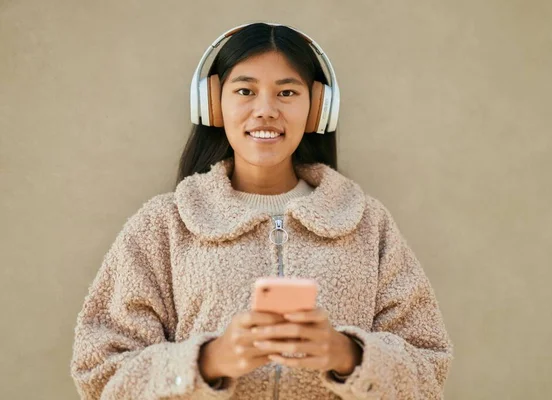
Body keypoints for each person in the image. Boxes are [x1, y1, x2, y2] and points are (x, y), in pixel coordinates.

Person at [70, 22, 453, 399]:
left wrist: (349, 356)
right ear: (213, 104)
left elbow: (429, 366)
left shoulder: (368, 224)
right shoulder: (162, 225)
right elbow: (99, 372)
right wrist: (207, 362)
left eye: (287, 92)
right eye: (245, 90)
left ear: (317, 108)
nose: (266, 109)